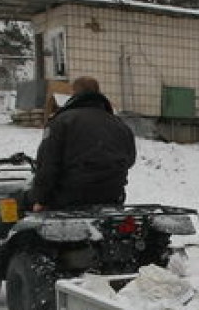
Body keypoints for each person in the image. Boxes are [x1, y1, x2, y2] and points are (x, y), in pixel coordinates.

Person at [27, 75, 136, 211]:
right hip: (112, 195)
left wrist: (39, 199)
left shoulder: (61, 122)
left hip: (71, 197)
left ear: (73, 93)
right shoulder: (120, 125)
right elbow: (130, 159)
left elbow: (48, 164)